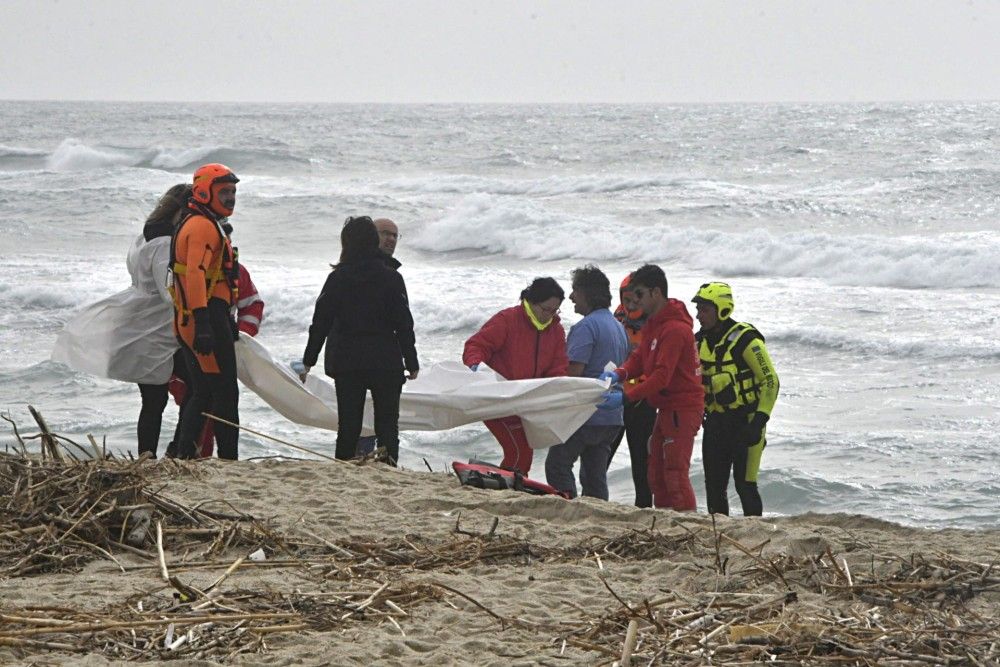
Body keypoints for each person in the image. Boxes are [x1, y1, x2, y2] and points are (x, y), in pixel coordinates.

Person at [51, 183, 189, 457]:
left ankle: (150, 455)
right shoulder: (164, 242)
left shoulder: (144, 236)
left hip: (140, 320)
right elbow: (167, 292)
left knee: (155, 398)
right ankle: (170, 451)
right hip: (156, 327)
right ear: (182, 210)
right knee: (183, 391)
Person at [300, 216, 418, 465]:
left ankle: (343, 467)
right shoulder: (391, 278)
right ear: (374, 241)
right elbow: (404, 324)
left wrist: (308, 360)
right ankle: (389, 468)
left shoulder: (338, 278)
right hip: (385, 360)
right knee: (387, 425)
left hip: (348, 362)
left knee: (349, 425)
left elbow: (320, 322)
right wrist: (412, 361)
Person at [600, 265, 703, 511]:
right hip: (665, 408)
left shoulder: (676, 330)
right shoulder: (654, 324)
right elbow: (641, 358)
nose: (635, 303)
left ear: (655, 293)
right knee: (655, 473)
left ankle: (685, 523)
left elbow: (661, 376)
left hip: (682, 408)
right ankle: (666, 519)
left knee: (675, 474)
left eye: (639, 295)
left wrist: (625, 397)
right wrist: (620, 373)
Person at [169, 163, 242, 460]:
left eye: (234, 192)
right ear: (203, 191)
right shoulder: (201, 227)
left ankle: (184, 454)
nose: (231, 198)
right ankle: (228, 460)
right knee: (224, 393)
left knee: (205, 391)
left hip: (203, 316)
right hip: (203, 316)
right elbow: (196, 274)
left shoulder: (204, 222)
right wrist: (204, 323)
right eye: (224, 191)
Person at [463, 277, 569, 475]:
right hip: (497, 399)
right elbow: (476, 345)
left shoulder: (555, 330)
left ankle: (508, 483)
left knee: (522, 451)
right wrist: (475, 366)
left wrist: (556, 390)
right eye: (546, 309)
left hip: (526, 402)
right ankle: (510, 488)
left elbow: (558, 367)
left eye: (555, 310)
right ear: (532, 302)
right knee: (520, 450)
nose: (550, 315)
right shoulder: (508, 320)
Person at [692, 282, 779, 516]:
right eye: (698, 309)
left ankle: (756, 537)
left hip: (747, 424)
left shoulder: (746, 340)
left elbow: (771, 381)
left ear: (722, 309)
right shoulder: (698, 342)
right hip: (716, 424)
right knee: (714, 488)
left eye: (704, 309)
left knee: (745, 486)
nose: (698, 315)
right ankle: (719, 538)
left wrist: (758, 423)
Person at [544, 266, 629, 500]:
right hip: (612, 416)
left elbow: (575, 374)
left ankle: (567, 506)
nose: (571, 297)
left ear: (586, 293)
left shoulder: (586, 327)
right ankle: (597, 513)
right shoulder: (617, 326)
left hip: (586, 415)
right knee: (594, 475)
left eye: (574, 291)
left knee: (557, 465)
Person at [168, 264, 265, 458]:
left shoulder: (235, 272)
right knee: (198, 399)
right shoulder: (186, 270)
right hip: (184, 348)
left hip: (216, 344)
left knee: (211, 401)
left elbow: (252, 305)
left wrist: (239, 335)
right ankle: (187, 454)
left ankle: (202, 456)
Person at [606, 273, 658, 507]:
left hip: (643, 402)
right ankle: (593, 503)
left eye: (638, 298)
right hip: (615, 398)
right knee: (600, 459)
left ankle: (644, 510)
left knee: (642, 463)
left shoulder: (659, 323)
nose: (632, 304)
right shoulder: (615, 319)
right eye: (628, 298)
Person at [357, 217, 402, 457]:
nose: (391, 239)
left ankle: (385, 462)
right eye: (385, 233)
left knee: (387, 423)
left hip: (383, 358)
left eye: (395, 235)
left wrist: (410, 359)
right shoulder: (352, 269)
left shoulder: (392, 271)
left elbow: (402, 321)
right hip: (358, 356)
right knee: (354, 419)